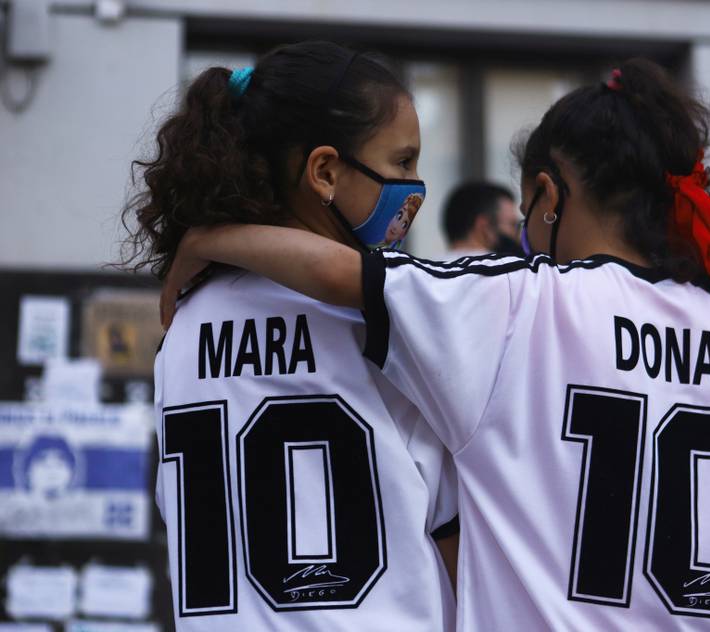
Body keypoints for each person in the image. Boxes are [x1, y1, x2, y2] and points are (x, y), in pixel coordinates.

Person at [162, 59, 710, 631]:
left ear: (549, 196)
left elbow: (345, 277)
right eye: (405, 164)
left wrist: (206, 239)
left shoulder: (517, 305)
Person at [123, 41, 459, 631]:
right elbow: (454, 538)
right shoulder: (386, 316)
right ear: (324, 170)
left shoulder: (183, 323)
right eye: (403, 162)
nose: (414, 185)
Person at [441, 181, 523, 258]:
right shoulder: (507, 269)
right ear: (484, 226)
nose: (519, 235)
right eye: (513, 225)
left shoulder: (431, 268)